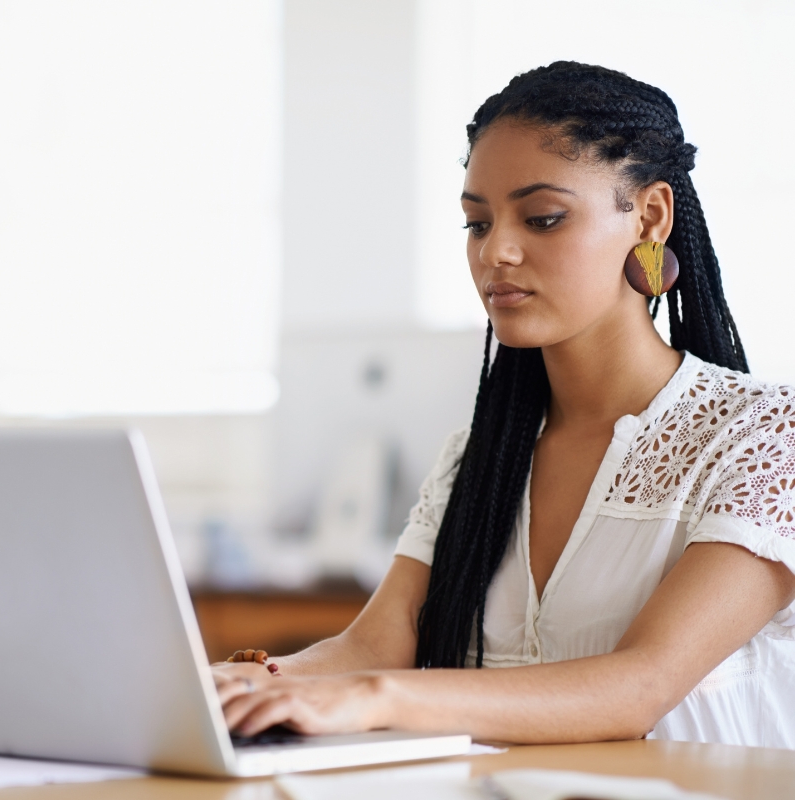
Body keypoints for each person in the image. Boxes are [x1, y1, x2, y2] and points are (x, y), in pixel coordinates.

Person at [214, 62, 795, 748]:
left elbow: (639, 686)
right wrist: (251, 682)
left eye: (543, 218)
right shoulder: (477, 456)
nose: (498, 252)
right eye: (476, 223)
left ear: (650, 215)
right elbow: (375, 646)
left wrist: (371, 699)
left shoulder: (762, 437)